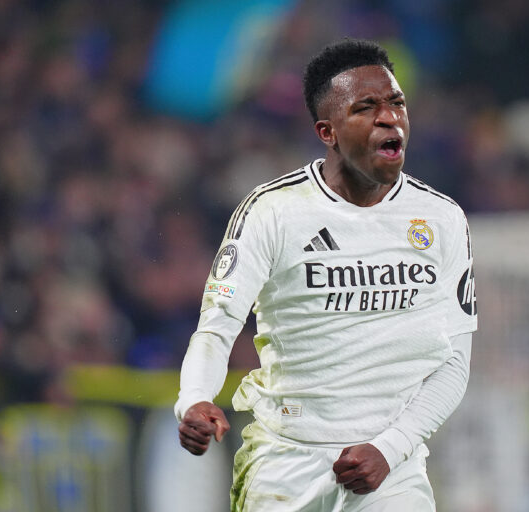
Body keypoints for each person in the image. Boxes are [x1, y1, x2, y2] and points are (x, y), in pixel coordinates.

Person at [175, 39, 477, 511]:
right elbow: (217, 326)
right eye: (366, 107)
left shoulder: (441, 220)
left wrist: (390, 447)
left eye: (396, 103)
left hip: (389, 472)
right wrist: (193, 398)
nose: (389, 117)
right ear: (327, 131)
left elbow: (455, 362)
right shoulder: (273, 211)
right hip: (285, 464)